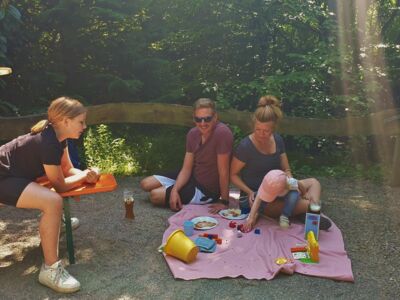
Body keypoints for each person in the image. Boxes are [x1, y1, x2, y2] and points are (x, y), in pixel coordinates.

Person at [0, 96, 100, 293]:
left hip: (15, 176)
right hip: (3, 177)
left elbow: (67, 169)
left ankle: (54, 225)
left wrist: (87, 174)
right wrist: (83, 179)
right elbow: (60, 186)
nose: (84, 126)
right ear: (65, 121)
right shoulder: (48, 143)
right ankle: (50, 269)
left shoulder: (58, 138)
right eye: (81, 121)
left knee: (51, 199)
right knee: (53, 201)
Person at [230, 95, 330, 229]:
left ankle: (302, 214)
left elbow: (286, 169)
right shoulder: (245, 146)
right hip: (260, 198)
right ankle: (308, 214)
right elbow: (233, 175)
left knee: (314, 183)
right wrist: (249, 192)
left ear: (273, 128)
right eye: (258, 129)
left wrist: (291, 181)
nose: (261, 134)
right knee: (312, 204)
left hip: (281, 189)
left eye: (266, 131)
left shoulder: (278, 140)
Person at [140, 98, 234, 211]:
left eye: (207, 119)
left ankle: (173, 191)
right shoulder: (192, 134)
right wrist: (175, 190)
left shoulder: (222, 133)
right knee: (145, 184)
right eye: (198, 119)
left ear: (215, 117)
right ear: (194, 119)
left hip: (206, 189)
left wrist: (224, 201)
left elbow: (223, 171)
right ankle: (173, 190)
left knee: (155, 195)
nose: (202, 123)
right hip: (193, 176)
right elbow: (186, 169)